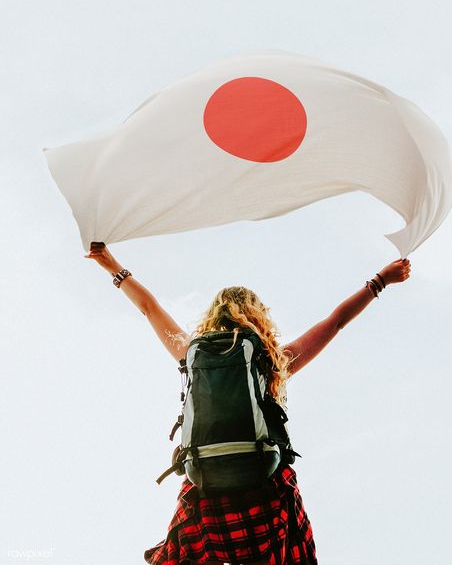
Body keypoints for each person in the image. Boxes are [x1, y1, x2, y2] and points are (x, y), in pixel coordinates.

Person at [86, 242, 411, 565]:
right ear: (258, 317)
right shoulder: (271, 359)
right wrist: (380, 280)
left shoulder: (191, 353)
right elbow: (336, 321)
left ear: (213, 317)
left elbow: (148, 307)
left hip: (205, 500)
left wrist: (113, 266)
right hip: (267, 498)